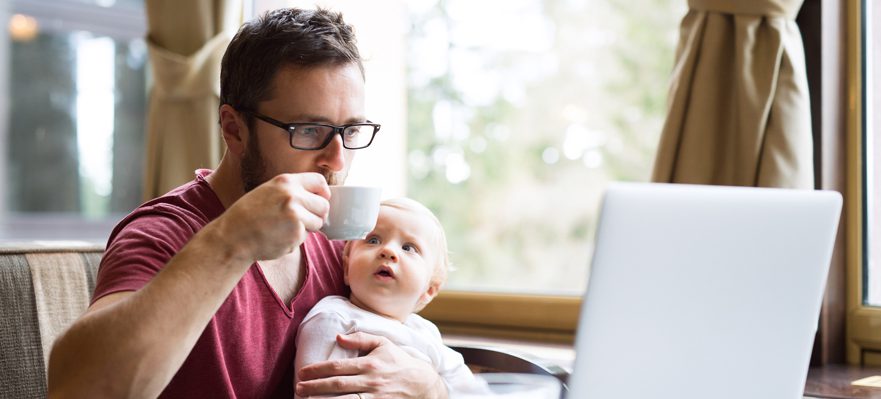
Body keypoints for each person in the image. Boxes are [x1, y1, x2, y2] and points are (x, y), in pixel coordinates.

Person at [47, 8, 448, 399]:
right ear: (233, 129)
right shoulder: (164, 233)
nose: (337, 160)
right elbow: (75, 388)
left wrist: (428, 386)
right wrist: (231, 241)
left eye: (351, 130)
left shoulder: (340, 244)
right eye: (309, 130)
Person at [294, 198, 489, 398]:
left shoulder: (426, 333)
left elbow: (471, 392)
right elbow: (314, 391)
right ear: (346, 268)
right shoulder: (333, 319)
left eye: (409, 248)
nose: (388, 251)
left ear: (429, 290)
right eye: (373, 240)